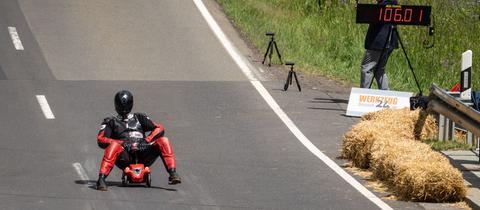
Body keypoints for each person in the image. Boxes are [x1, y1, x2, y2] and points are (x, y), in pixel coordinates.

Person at [96, 90, 181, 191]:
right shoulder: (110, 121)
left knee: (164, 140)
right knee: (113, 145)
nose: (123, 108)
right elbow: (101, 139)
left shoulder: (140, 117)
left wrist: (146, 141)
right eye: (121, 105)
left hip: (143, 153)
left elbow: (159, 128)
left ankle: (173, 173)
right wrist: (122, 143)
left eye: (125, 105)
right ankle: (101, 179)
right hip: (124, 156)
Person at [360, 0, 399, 90]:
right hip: (391, 42)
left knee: (366, 68)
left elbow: (373, 18)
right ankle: (386, 95)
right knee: (379, 69)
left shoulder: (381, 7)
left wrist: (362, 11)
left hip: (378, 43)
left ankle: (363, 95)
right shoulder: (395, 5)